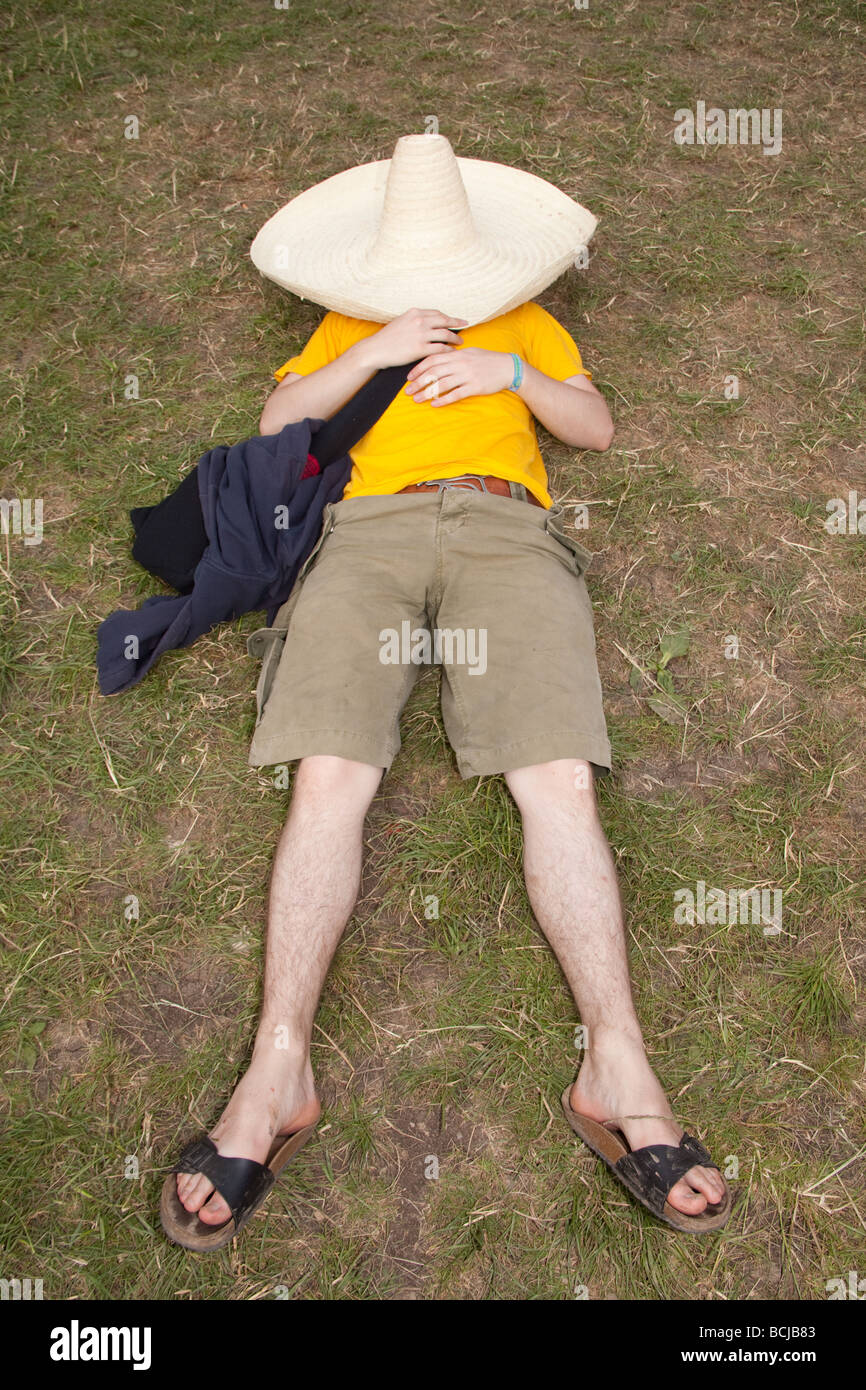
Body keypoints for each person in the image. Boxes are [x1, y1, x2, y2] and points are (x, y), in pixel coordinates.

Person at [160, 134, 730, 1251]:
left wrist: (509, 374)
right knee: (330, 777)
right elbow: (282, 425)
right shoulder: (348, 323)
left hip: (504, 527)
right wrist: (371, 350)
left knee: (555, 779)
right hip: (361, 534)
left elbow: (595, 424)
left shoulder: (517, 315)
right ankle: (279, 1072)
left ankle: (616, 1066)